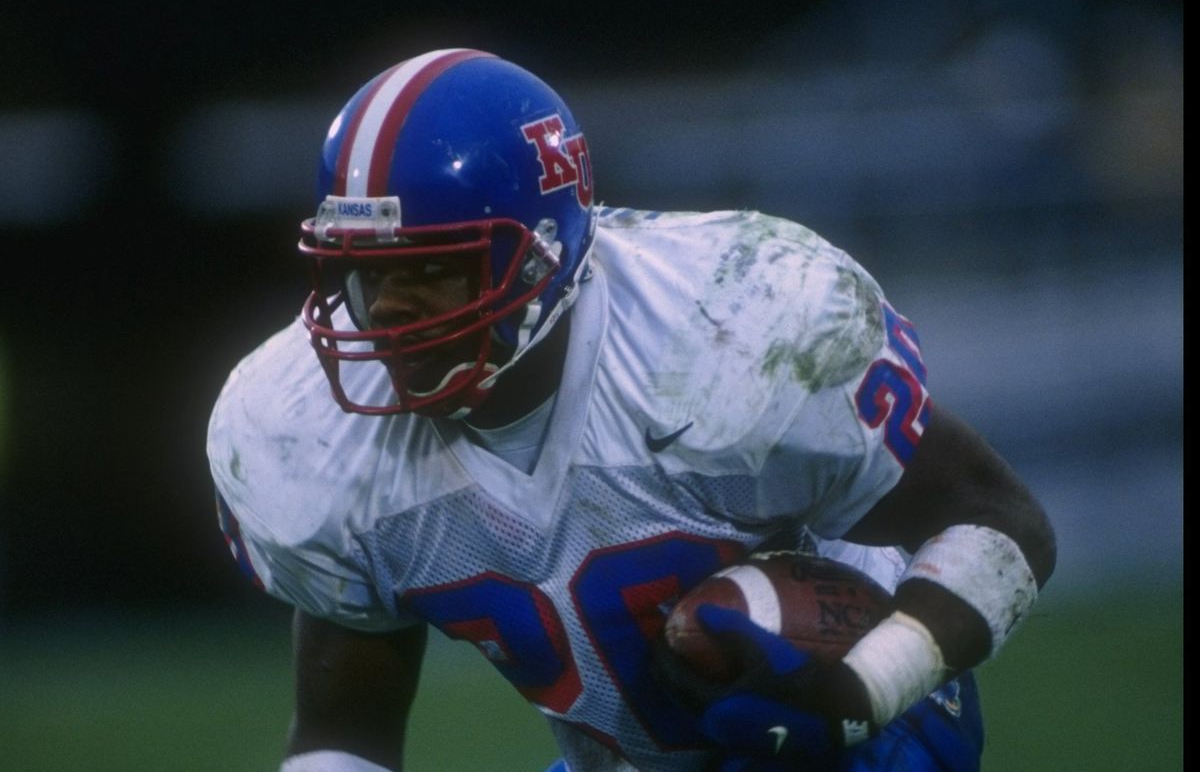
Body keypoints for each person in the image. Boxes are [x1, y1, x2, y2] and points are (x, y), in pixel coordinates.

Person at [206, 48, 1055, 772]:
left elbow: (1003, 522)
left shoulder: (729, 326)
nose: (385, 311)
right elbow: (343, 728)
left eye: (430, 269)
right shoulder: (300, 430)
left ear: (541, 256)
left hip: (866, 739)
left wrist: (864, 688)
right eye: (365, 270)